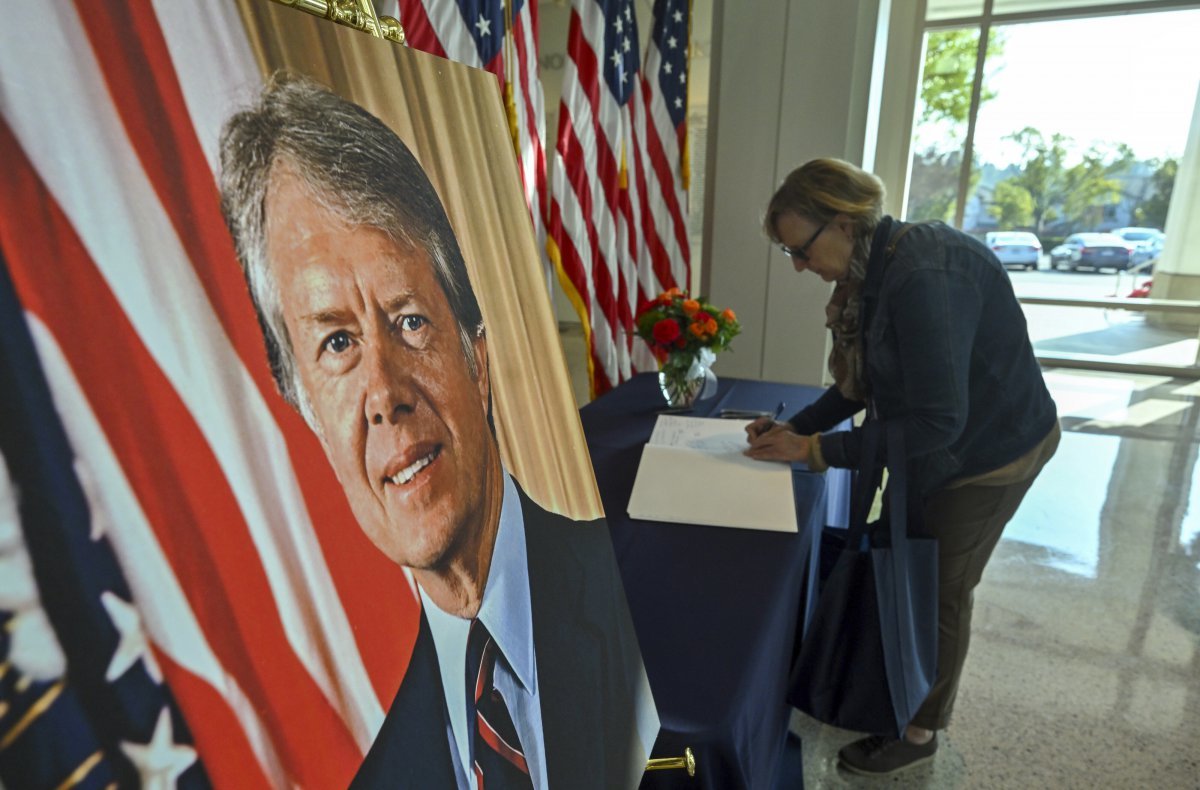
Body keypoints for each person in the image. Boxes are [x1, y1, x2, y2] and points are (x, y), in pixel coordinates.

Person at [219, 73, 652, 789]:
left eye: (410, 320)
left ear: (476, 361)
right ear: (312, 424)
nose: (384, 393)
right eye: (336, 344)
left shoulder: (641, 595)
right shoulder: (380, 774)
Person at [745, 158, 1060, 776]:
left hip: (993, 454)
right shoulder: (875, 268)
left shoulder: (926, 274)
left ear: (842, 221)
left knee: (941, 585)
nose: (801, 267)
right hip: (940, 445)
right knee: (905, 565)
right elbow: (864, 385)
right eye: (790, 254)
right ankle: (893, 681)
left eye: (800, 251)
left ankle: (920, 734)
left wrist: (818, 454)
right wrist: (800, 427)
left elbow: (937, 422)